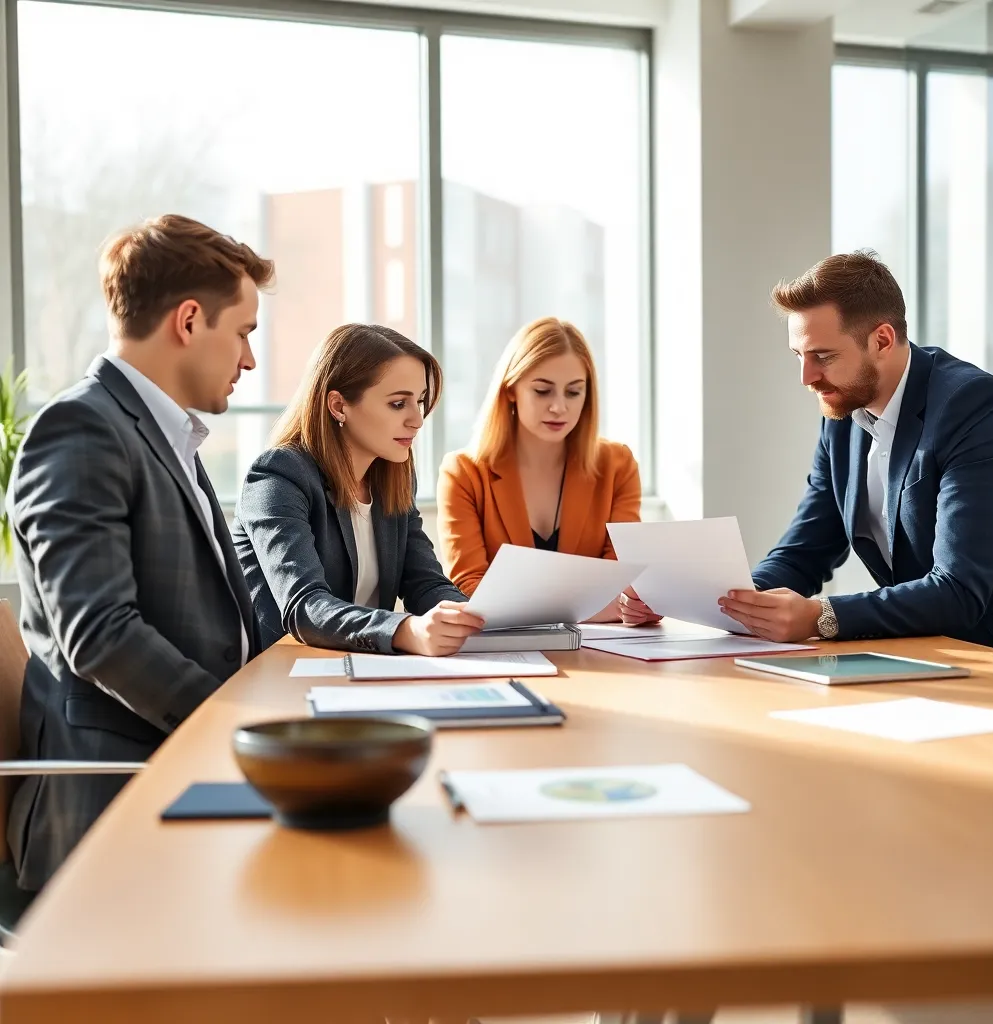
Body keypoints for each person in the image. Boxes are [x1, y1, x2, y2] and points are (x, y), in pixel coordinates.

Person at [6, 214, 273, 892]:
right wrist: (237, 730)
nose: (249, 359)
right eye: (243, 332)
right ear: (189, 321)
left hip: (176, 769)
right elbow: (99, 636)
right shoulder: (80, 430)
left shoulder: (164, 435)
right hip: (114, 801)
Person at [715, 250, 993, 653]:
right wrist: (732, 602)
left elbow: (958, 589)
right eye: (799, 356)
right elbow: (805, 550)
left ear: (881, 340)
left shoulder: (974, 406)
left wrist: (820, 616)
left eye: (822, 356)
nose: (806, 378)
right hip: (920, 653)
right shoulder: (842, 411)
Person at [233, 324, 483, 656]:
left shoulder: (393, 479)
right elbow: (306, 607)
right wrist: (406, 630)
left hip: (362, 671)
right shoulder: (279, 475)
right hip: (283, 676)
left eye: (419, 401)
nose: (417, 420)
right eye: (398, 404)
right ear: (338, 406)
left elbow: (426, 584)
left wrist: (477, 617)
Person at [437, 317, 658, 624]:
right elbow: (470, 590)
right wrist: (594, 608)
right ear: (510, 389)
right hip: (506, 650)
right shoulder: (463, 473)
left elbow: (619, 584)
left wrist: (620, 604)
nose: (559, 407)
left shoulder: (617, 465)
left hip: (600, 651)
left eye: (573, 392)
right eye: (542, 391)